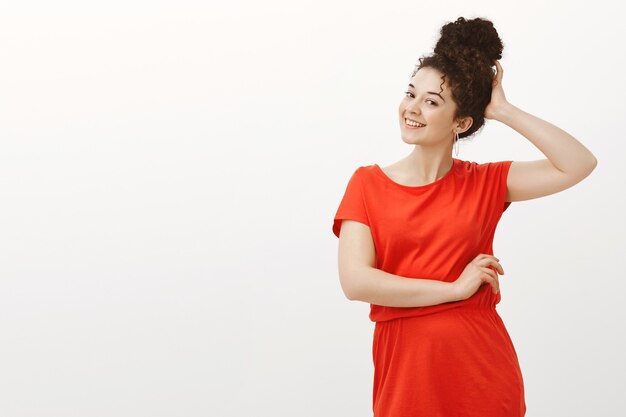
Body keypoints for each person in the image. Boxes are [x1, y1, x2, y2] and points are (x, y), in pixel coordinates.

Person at [331, 16, 597, 417]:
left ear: (461, 122)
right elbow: (356, 282)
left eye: (432, 101)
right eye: (411, 93)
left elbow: (578, 163)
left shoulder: (485, 183)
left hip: (481, 372)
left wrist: (504, 110)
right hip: (408, 377)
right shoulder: (367, 184)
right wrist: (453, 290)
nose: (412, 108)